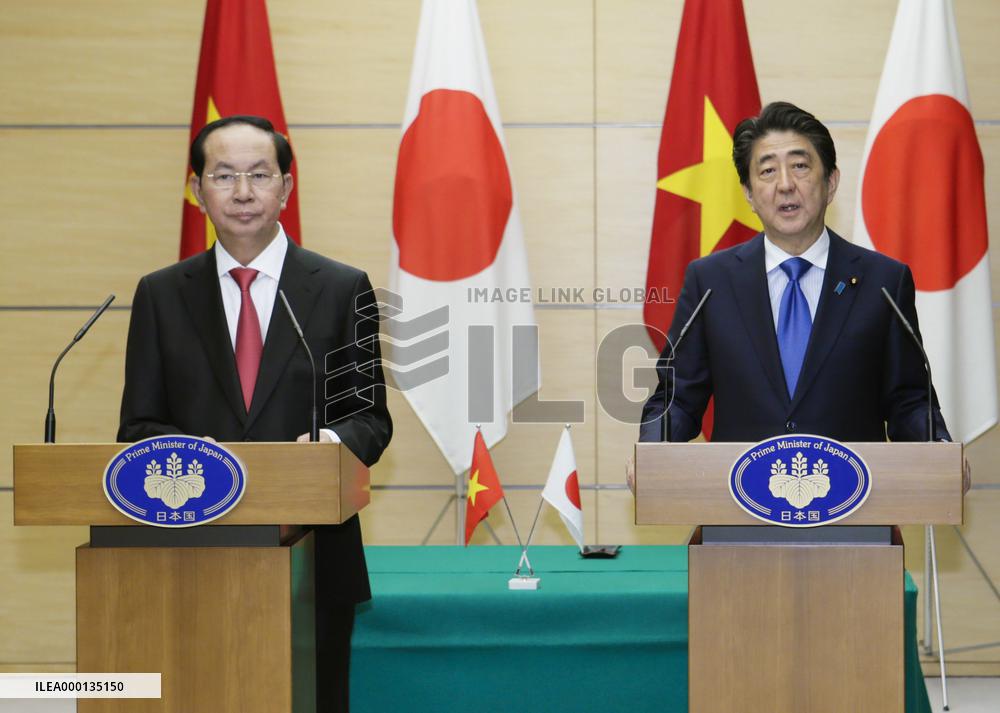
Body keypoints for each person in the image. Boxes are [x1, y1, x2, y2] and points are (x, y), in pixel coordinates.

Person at [118, 115, 391, 713]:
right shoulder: (161, 295)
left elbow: (371, 419)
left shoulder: (343, 288)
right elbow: (137, 429)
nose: (243, 192)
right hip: (189, 557)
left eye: (260, 175)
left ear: (286, 189)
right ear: (197, 190)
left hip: (313, 562)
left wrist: (327, 442)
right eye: (224, 175)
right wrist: (210, 466)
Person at [638, 101, 949, 445]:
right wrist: (652, 451)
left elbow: (909, 401)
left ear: (831, 182)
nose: (785, 184)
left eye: (800, 166)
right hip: (740, 494)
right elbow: (677, 399)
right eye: (767, 171)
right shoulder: (710, 282)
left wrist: (940, 451)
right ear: (749, 195)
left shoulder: (884, 283)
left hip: (851, 494)